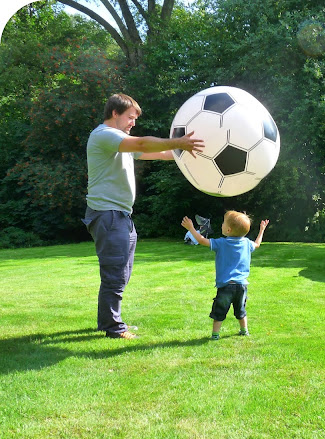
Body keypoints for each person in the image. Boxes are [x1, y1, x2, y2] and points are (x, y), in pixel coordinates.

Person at [83, 93, 205, 339]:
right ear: (115, 113)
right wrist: (178, 142)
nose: (133, 123)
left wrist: (192, 151)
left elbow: (159, 153)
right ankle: (113, 328)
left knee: (121, 273)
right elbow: (141, 144)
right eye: (130, 117)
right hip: (108, 215)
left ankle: (109, 321)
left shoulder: (120, 142)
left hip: (121, 216)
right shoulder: (104, 135)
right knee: (115, 274)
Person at [181, 211, 269, 340]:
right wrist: (261, 230)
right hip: (242, 286)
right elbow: (257, 244)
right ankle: (244, 331)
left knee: (219, 311)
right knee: (241, 310)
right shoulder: (246, 243)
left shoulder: (221, 243)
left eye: (223, 223)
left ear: (228, 229)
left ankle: (215, 335)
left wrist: (191, 228)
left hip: (226, 286)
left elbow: (201, 240)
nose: (221, 225)